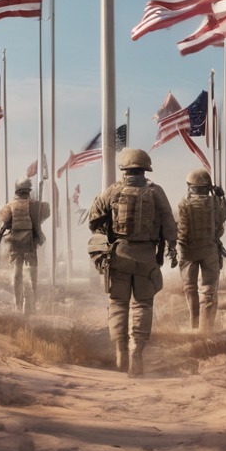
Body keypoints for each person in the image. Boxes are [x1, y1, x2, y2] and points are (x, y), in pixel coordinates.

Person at [89, 147, 177, 377]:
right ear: (144, 169)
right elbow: (169, 223)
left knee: (118, 304)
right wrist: (172, 248)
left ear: (124, 169)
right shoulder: (156, 192)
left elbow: (93, 218)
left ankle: (120, 351)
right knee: (143, 305)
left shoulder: (112, 191)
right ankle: (136, 352)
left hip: (119, 254)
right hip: (147, 255)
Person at [176, 168, 226, 332]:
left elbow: (177, 227)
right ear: (208, 186)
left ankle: (194, 325)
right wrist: (221, 197)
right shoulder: (215, 203)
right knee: (208, 291)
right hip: (209, 249)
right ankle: (205, 329)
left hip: (187, 251)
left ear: (190, 185)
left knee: (190, 288)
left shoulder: (183, 203)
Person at [0, 176, 43, 315]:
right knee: (31, 274)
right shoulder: (35, 205)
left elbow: (3, 220)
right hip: (30, 242)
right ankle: (31, 306)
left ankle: (18, 306)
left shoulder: (9, 205)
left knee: (17, 274)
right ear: (29, 190)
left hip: (15, 242)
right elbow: (44, 215)